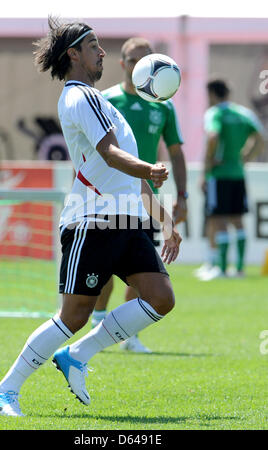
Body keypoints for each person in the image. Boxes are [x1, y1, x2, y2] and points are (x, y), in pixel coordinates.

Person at [0, 17, 182, 417]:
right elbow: (111, 155)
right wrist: (148, 168)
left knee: (161, 298)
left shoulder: (101, 101)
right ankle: (5, 391)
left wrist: (163, 219)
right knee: (73, 315)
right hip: (92, 223)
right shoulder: (80, 97)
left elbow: (120, 172)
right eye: (93, 45)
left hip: (126, 221)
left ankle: (77, 355)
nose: (102, 51)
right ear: (72, 53)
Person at [90, 37, 187, 353]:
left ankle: (128, 335)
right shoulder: (105, 101)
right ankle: (98, 323)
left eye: (146, 60)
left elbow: (176, 152)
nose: (138, 66)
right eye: (133, 60)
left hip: (146, 199)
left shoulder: (163, 105)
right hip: (107, 198)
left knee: (140, 273)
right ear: (123, 64)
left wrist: (182, 195)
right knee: (105, 271)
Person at [198, 78, 265, 281]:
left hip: (219, 174)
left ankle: (221, 268)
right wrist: (246, 156)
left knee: (218, 220)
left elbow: (213, 136)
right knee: (238, 220)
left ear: (211, 94)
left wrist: (208, 164)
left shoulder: (215, 113)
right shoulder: (242, 113)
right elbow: (261, 138)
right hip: (238, 172)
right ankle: (240, 268)